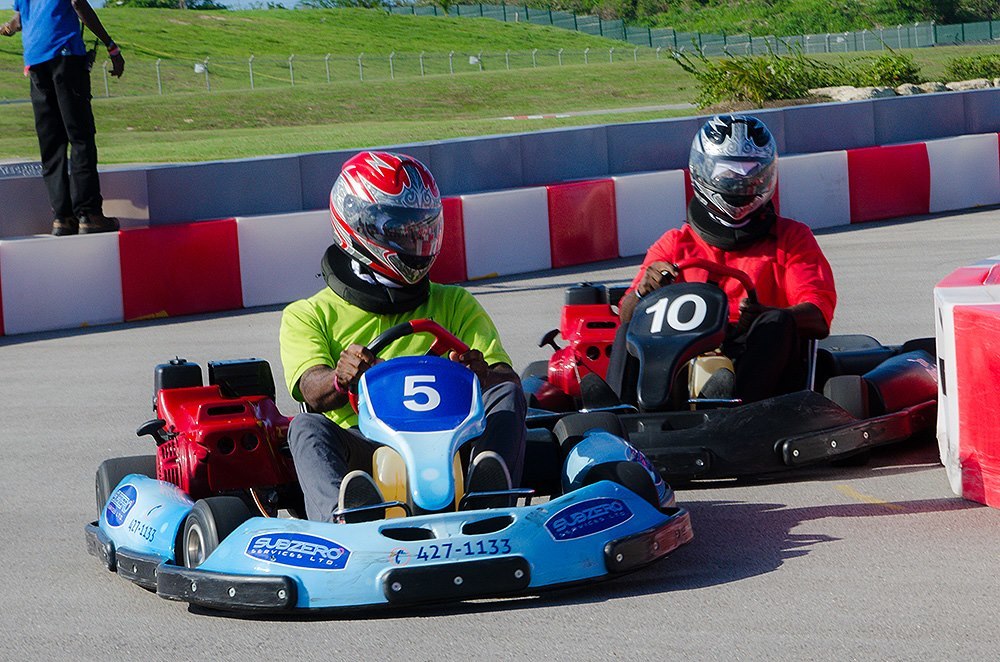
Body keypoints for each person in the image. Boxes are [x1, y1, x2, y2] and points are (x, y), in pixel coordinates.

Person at [280, 151, 527, 523]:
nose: (416, 240)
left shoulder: (454, 302)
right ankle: (345, 520)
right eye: (400, 230)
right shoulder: (309, 314)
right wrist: (339, 376)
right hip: (364, 450)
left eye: (422, 229)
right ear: (359, 226)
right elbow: (312, 391)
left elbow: (505, 380)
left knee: (506, 393)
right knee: (305, 427)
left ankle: (489, 499)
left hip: (456, 444)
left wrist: (484, 375)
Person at [611, 115, 837, 404]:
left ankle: (733, 405)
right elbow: (625, 309)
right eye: (728, 173)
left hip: (756, 358)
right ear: (703, 171)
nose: (741, 183)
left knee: (777, 322)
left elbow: (818, 316)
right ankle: (617, 409)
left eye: (751, 174)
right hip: (678, 356)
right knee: (632, 322)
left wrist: (765, 316)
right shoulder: (675, 244)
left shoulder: (791, 239)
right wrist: (643, 291)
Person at [0, 0, 124, 236]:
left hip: (35, 61)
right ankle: (89, 215)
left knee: (52, 143)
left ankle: (63, 218)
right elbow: (77, 3)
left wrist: (7, 27)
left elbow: (19, 19)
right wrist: (111, 46)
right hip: (65, 57)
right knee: (80, 137)